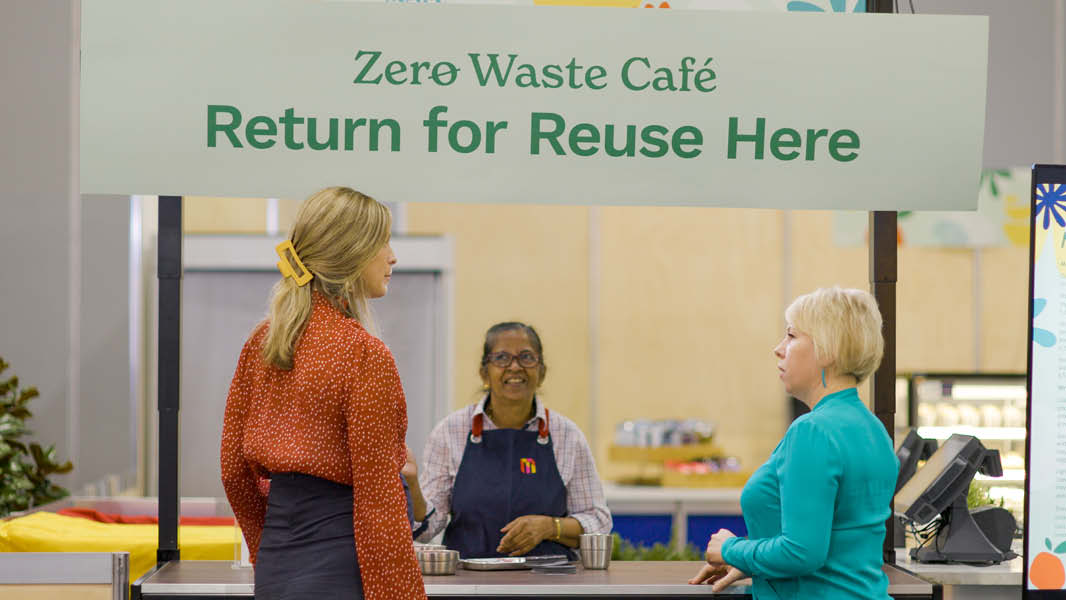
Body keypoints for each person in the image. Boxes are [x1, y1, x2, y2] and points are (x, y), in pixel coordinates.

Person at [220, 186, 425, 600]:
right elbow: (379, 496)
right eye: (382, 242)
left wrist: (270, 545)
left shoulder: (262, 342)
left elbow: (233, 472)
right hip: (342, 559)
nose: (393, 256)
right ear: (351, 254)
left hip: (277, 559)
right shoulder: (364, 353)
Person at [690, 287, 898, 599]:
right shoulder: (873, 430)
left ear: (827, 349)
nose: (779, 348)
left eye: (791, 335)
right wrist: (753, 561)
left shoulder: (813, 431)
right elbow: (840, 550)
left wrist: (731, 549)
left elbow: (802, 552)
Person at [409, 322, 612, 558]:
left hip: (548, 584)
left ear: (542, 371)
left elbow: (599, 520)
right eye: (502, 358)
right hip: (473, 584)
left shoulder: (567, 435)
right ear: (484, 372)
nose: (515, 367)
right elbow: (428, 528)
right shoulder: (450, 432)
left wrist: (550, 527)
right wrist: (412, 487)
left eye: (526, 357)